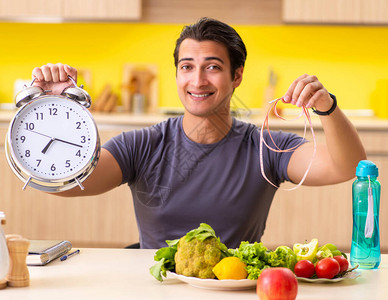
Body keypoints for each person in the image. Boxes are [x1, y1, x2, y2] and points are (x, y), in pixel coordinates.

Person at [31, 18, 366, 249]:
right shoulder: (143, 145)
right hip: (159, 287)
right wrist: (54, 112)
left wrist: (327, 106)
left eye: (213, 67)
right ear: (177, 75)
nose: (198, 80)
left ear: (237, 76)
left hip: (236, 288)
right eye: (187, 66)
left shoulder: (266, 146)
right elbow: (68, 183)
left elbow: (347, 167)